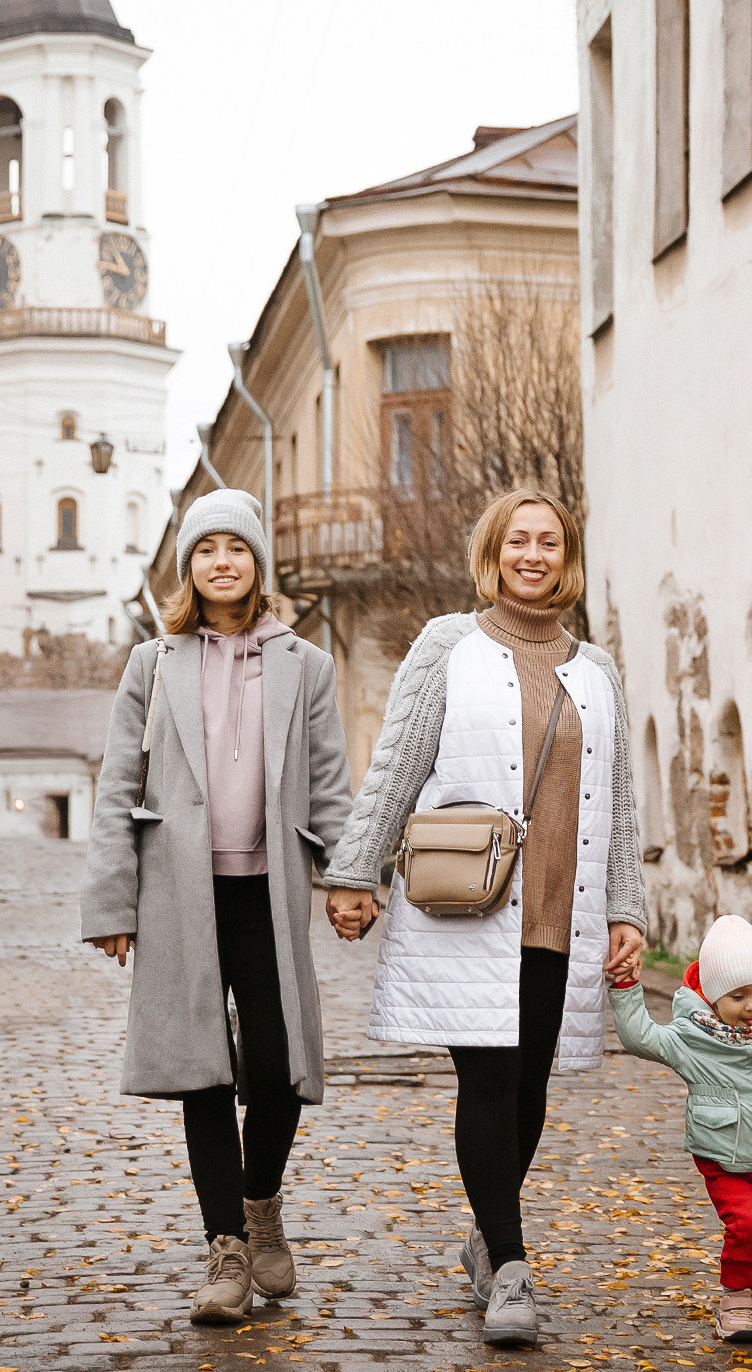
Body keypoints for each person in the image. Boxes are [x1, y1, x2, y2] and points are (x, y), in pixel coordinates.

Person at [321, 487, 647, 1349]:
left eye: (549, 542)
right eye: (517, 541)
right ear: (493, 552)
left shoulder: (599, 668)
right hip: (470, 901)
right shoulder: (445, 647)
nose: (533, 555)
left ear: (567, 556)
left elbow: (620, 800)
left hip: (560, 907)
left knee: (531, 1086)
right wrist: (355, 868)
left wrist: (626, 906)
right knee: (490, 1081)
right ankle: (510, 1265)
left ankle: (484, 1231)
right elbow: (398, 762)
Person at [80, 489, 355, 1325]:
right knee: (203, 1069)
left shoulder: (304, 663)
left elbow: (330, 786)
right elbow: (118, 784)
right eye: (207, 550)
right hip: (178, 893)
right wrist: (111, 904)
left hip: (267, 892)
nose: (222, 562)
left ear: (258, 565)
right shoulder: (153, 663)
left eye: (237, 548)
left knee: (277, 1065)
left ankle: (260, 1199)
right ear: (188, 567)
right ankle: (227, 1250)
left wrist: (349, 880)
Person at [609, 916, 752, 1344]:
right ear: (714, 996)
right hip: (723, 1157)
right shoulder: (692, 1037)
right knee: (748, 1226)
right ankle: (735, 1300)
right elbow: (639, 1037)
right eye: (738, 996)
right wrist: (626, 989)